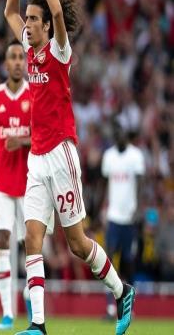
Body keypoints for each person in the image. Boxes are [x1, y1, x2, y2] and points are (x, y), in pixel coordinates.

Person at [4, 0, 135, 335]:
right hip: (37, 158)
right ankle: (38, 324)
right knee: (31, 239)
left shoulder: (59, 51)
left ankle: (121, 290)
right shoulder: (29, 50)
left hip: (61, 153)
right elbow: (8, 10)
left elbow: (58, 12)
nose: (27, 25)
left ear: (46, 25)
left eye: (33, 20)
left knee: (77, 243)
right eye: (27, 20)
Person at [0, 40, 32, 330]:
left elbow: (44, 137)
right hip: (1, 185)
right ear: (5, 63)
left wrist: (22, 141)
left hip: (29, 186)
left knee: (31, 246)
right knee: (2, 241)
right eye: (12, 57)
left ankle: (30, 300)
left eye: (20, 57)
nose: (17, 62)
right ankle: (7, 314)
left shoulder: (34, 95)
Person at [101, 122, 145, 319]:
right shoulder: (108, 156)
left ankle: (129, 305)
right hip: (113, 216)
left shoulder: (136, 156)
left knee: (128, 262)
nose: (118, 138)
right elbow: (104, 184)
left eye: (121, 135)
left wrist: (138, 209)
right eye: (115, 136)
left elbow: (141, 184)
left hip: (129, 217)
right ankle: (111, 307)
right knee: (109, 260)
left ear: (126, 137)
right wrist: (101, 208)